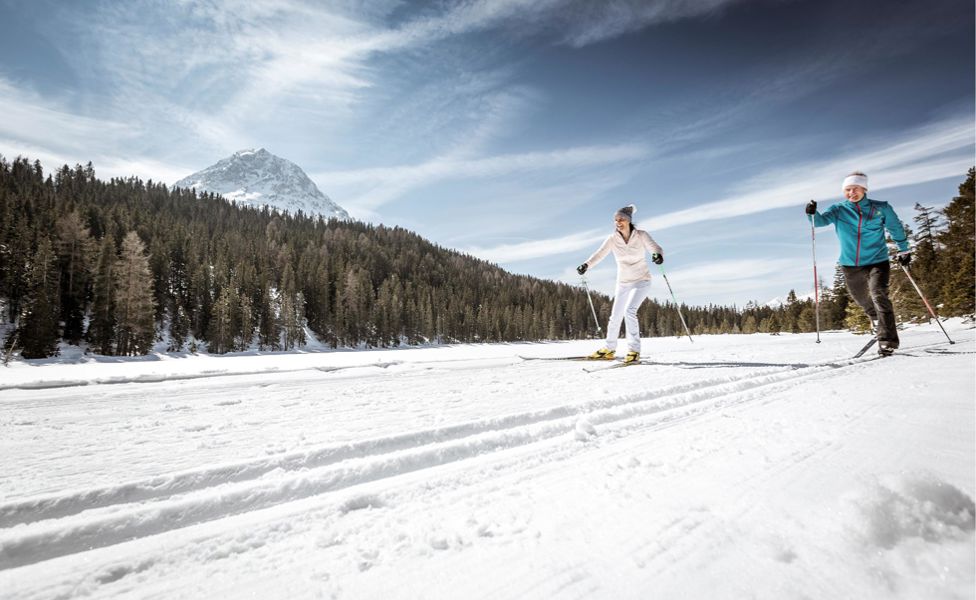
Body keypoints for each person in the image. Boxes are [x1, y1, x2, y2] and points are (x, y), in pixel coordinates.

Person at [806, 171, 911, 355]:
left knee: (879, 294)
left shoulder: (881, 208)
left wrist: (904, 249)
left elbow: (895, 228)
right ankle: (875, 318)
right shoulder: (838, 209)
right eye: (847, 189)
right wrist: (812, 213)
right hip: (850, 264)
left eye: (855, 189)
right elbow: (820, 222)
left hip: (877, 261)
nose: (851, 193)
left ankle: (887, 341)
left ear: (864, 189)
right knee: (861, 298)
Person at [576, 204, 663, 364]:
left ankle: (634, 351)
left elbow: (654, 247)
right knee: (615, 316)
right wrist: (586, 265)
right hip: (623, 282)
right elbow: (599, 254)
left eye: (621, 219)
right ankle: (609, 349)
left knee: (629, 311)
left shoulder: (641, 235)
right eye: (616, 220)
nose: (618, 222)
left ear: (629, 220)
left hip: (642, 280)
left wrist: (657, 255)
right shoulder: (612, 239)